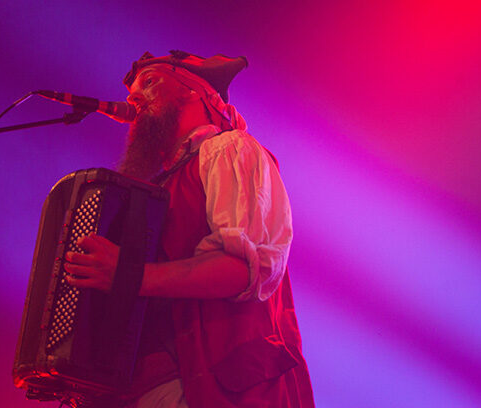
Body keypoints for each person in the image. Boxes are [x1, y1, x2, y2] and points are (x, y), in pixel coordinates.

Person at [63, 50, 314, 408]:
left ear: (194, 91)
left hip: (212, 388)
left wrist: (128, 274)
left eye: (150, 83)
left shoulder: (228, 149)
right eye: (132, 93)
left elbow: (241, 268)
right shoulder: (158, 187)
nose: (134, 99)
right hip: (143, 389)